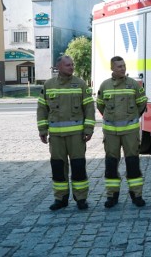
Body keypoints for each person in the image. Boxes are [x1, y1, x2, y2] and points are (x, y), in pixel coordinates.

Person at [37, 56, 95, 210]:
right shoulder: (48, 85)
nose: (71, 67)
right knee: (58, 167)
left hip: (76, 136)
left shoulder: (80, 84)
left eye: (72, 65)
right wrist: (42, 130)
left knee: (78, 167)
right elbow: (42, 109)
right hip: (56, 137)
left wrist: (88, 130)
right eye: (68, 65)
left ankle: (81, 198)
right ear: (59, 66)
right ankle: (60, 198)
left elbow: (89, 109)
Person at [97, 56, 148, 208]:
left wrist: (132, 118)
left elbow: (142, 103)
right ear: (112, 68)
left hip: (130, 133)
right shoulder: (105, 85)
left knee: (132, 163)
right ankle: (112, 196)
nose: (123, 69)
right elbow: (100, 106)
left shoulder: (133, 84)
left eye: (124, 66)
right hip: (111, 133)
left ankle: (136, 195)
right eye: (119, 66)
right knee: (111, 164)